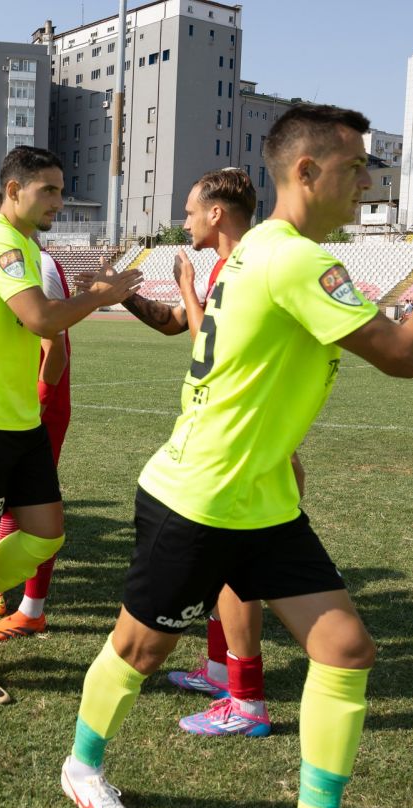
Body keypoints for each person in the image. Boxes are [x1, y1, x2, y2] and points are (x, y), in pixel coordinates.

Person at [59, 104, 413, 808]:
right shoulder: (294, 256)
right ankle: (82, 766)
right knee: (140, 649)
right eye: (356, 166)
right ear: (306, 170)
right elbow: (402, 355)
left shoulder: (264, 248)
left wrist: (276, 439)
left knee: (346, 647)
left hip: (262, 498)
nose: (366, 180)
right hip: (198, 496)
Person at [0, 145, 142, 705]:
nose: (58, 200)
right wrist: (101, 295)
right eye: (47, 190)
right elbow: (41, 319)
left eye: (60, 189)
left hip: (17, 414)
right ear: (13, 190)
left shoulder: (24, 243)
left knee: (48, 532)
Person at [109, 168, 287, 738]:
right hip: (233, 445)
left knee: (239, 576)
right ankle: (219, 672)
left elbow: (214, 356)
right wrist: (122, 293)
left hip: (249, 451)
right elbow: (174, 326)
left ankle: (248, 698)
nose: (183, 220)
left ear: (217, 214)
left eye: (189, 209)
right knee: (225, 570)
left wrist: (186, 290)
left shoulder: (253, 265)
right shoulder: (222, 267)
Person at [0, 187, 74, 642]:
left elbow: (56, 346)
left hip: (36, 403)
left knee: (36, 509)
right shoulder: (10, 252)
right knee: (14, 502)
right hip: (11, 400)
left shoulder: (38, 261)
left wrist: (41, 397)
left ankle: (31, 608)